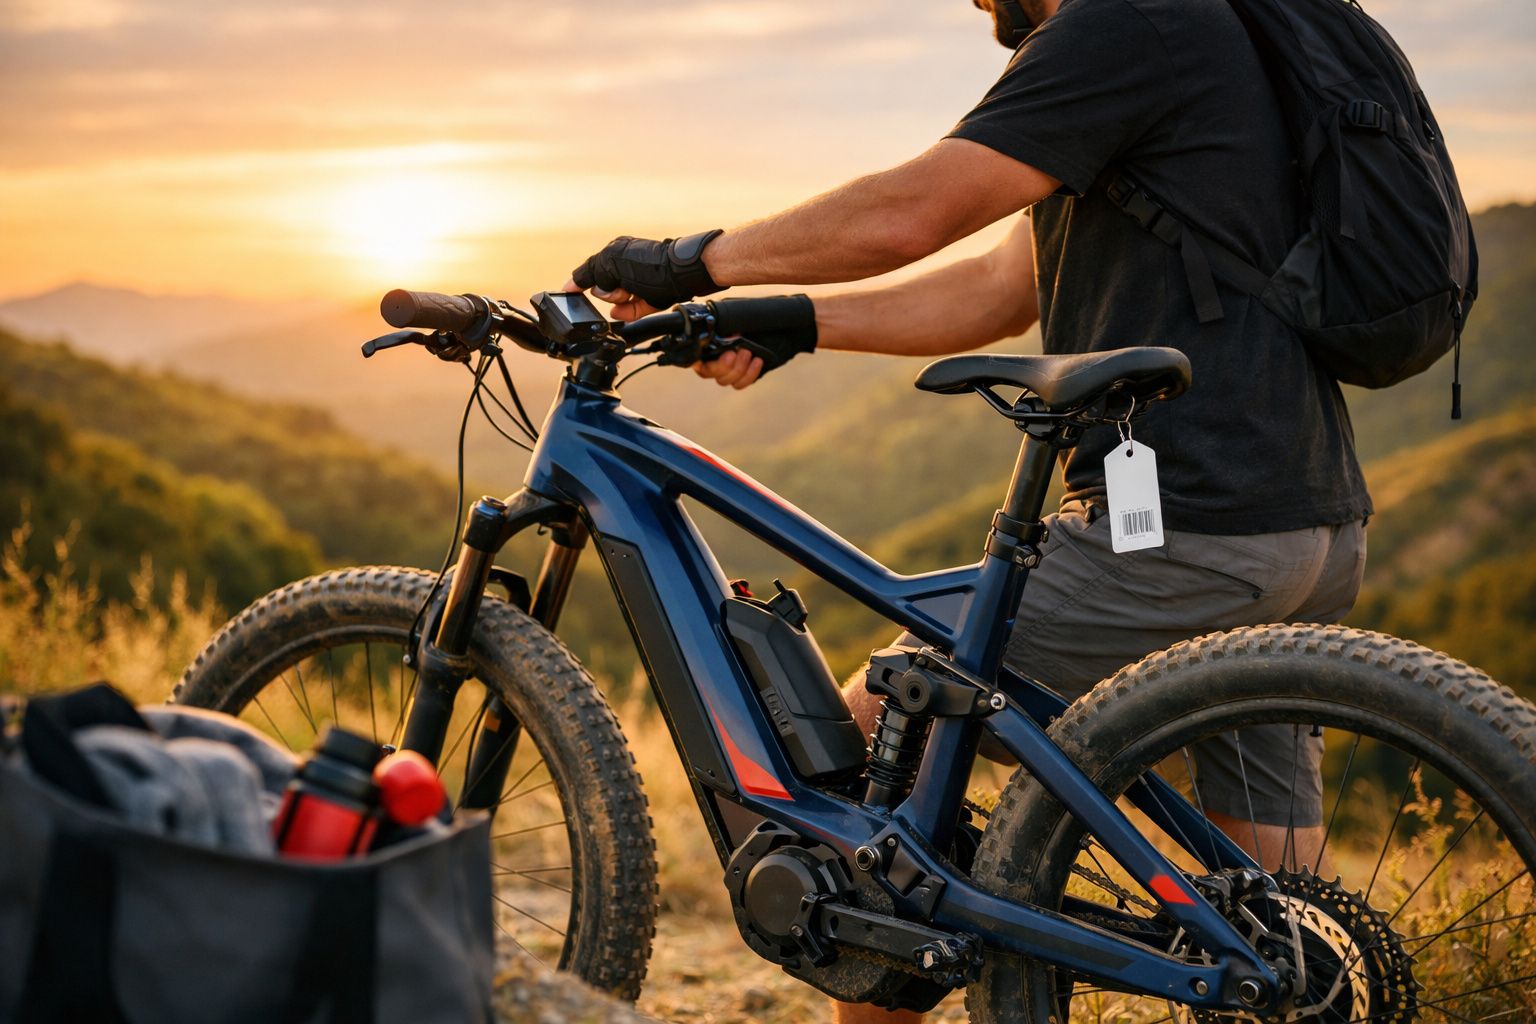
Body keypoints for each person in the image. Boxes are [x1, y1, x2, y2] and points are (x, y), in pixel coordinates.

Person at [567, 0, 1372, 1019]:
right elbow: (1001, 288)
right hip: (1302, 522)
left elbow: (911, 211)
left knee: (861, 803)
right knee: (1284, 933)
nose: (975, 0)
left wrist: (691, 259)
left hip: (1182, 525)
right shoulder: (1214, 36)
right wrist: (789, 320)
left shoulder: (1123, 21)